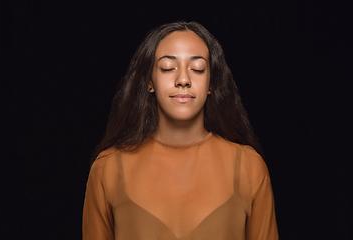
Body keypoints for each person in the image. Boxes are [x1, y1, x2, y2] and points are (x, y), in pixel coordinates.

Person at [82, 21, 278, 240]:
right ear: (149, 81)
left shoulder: (249, 168)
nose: (183, 80)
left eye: (198, 69)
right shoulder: (107, 169)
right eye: (167, 68)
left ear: (211, 82)